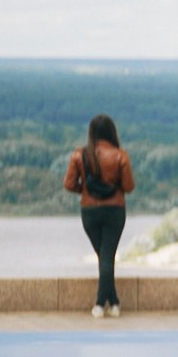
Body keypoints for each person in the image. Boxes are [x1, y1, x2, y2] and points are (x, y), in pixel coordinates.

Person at [65, 115, 136, 318]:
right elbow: (129, 187)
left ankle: (112, 302)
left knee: (104, 256)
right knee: (107, 256)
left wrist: (86, 191)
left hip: (89, 211)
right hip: (114, 210)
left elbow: (69, 184)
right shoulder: (120, 156)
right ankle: (101, 303)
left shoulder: (79, 155)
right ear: (111, 132)